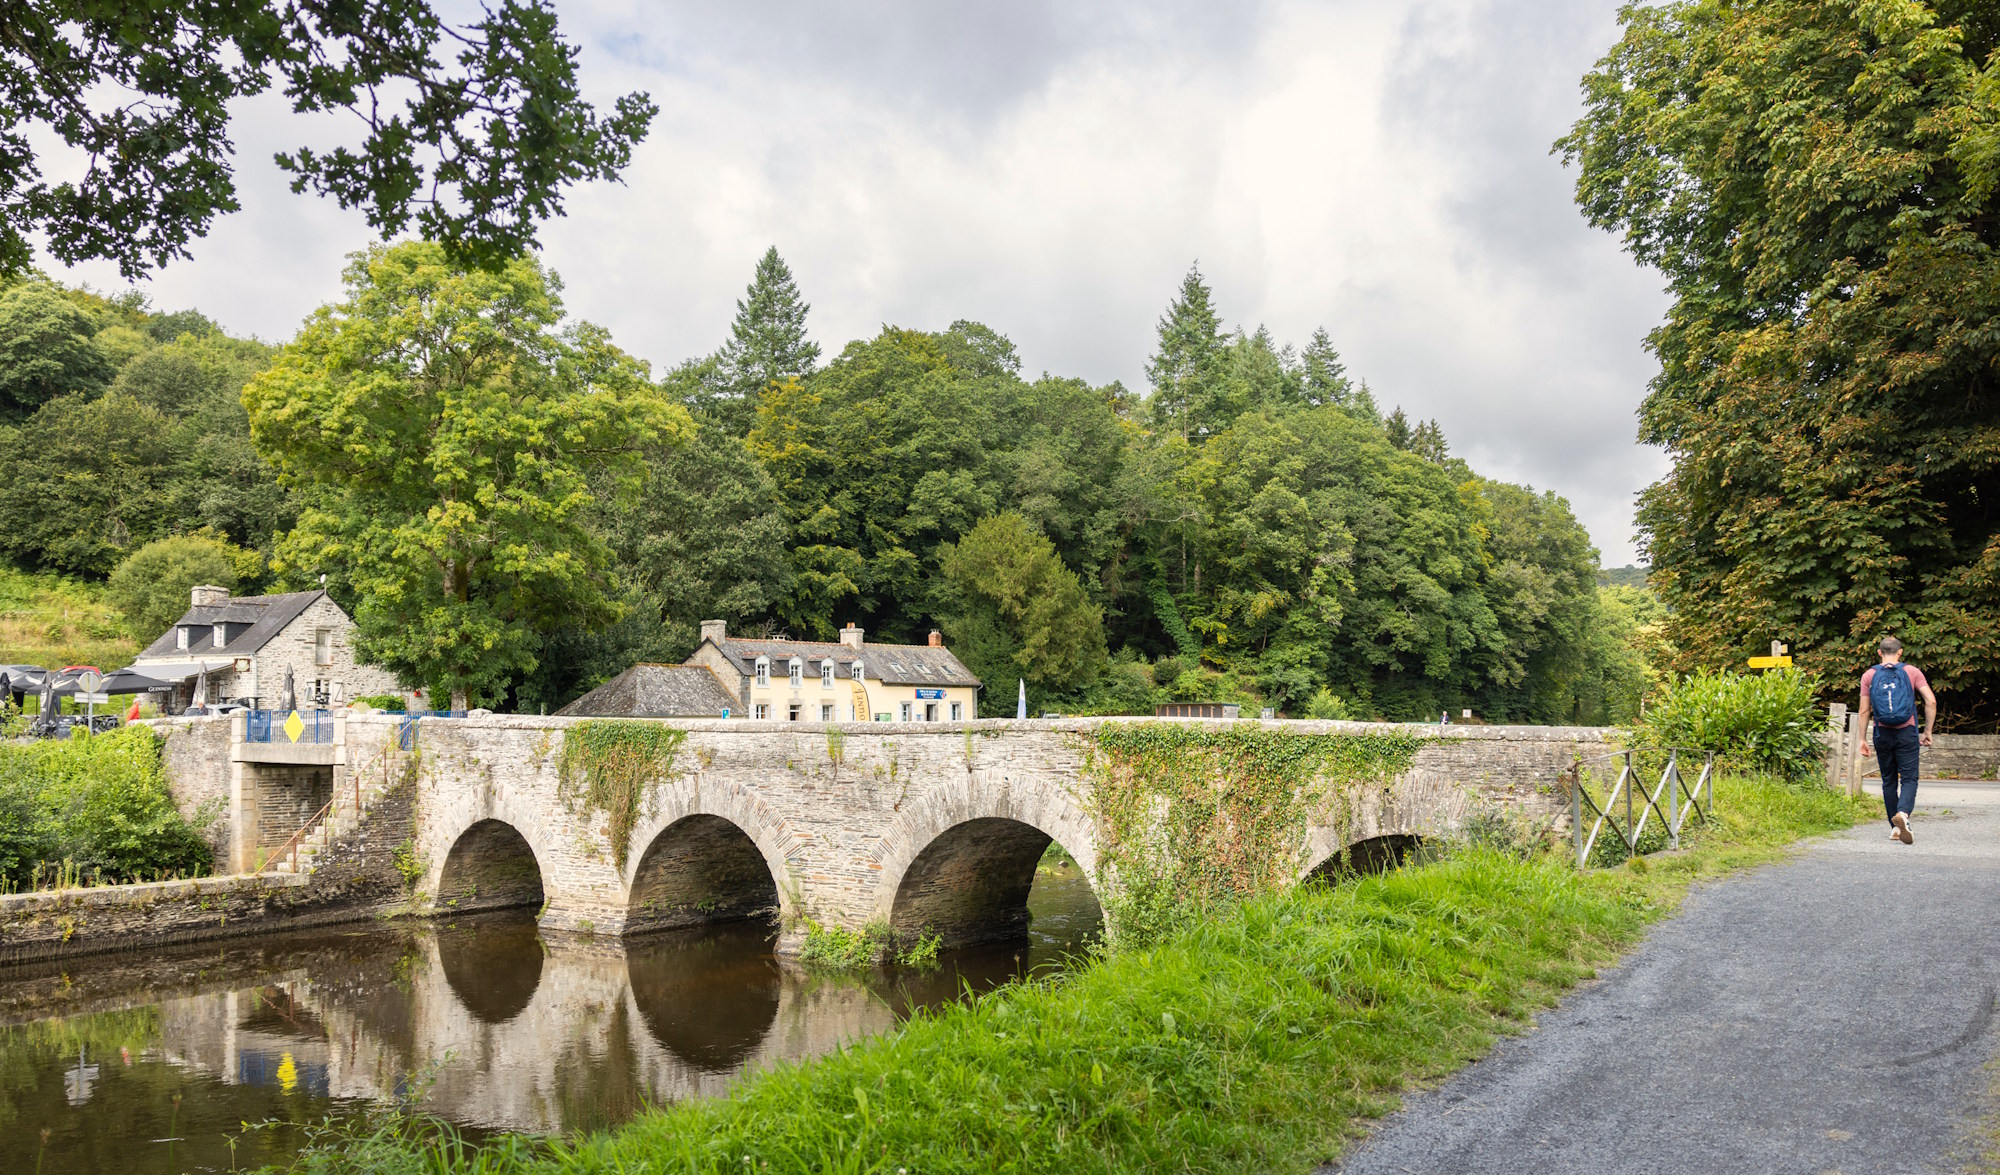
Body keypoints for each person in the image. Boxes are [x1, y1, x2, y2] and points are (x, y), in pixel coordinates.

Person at [1858, 637, 1935, 845]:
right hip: (1907, 732)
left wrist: (1862, 739)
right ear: (1900, 652)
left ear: (1879, 652)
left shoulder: (1869, 675)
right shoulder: (1912, 672)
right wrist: (1927, 731)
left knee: (1888, 781)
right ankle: (1903, 814)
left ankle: (1894, 827)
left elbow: (1864, 710)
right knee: (1909, 778)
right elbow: (1931, 701)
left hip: (1882, 733)